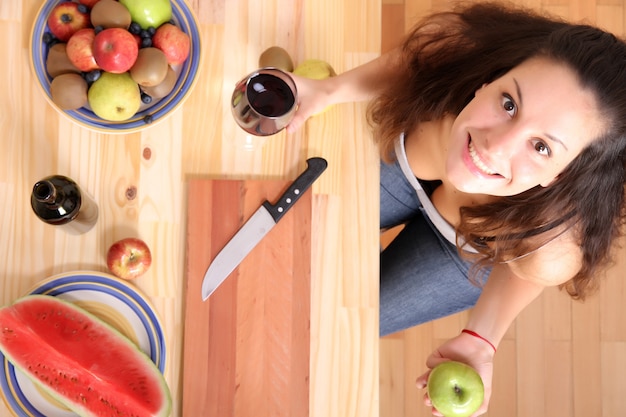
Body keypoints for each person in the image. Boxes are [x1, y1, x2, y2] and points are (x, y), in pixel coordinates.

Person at [287, 1, 626, 415]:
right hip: (404, 166)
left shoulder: (555, 245)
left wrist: (481, 340)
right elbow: (410, 63)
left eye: (541, 147)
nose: (494, 146)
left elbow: (521, 269)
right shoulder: (458, 45)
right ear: (490, 78)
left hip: (463, 249)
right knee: (290, 236)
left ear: (559, 175)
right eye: (509, 104)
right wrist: (331, 89)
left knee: (331, 320)